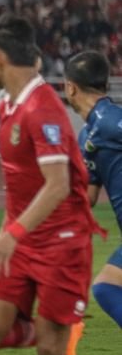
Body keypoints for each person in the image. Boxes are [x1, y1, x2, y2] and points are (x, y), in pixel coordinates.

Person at [0, 14, 99, 355]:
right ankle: (45, 332)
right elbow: (22, 184)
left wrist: (14, 232)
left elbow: (58, 184)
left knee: (51, 353)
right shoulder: (8, 103)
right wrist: (8, 231)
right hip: (22, 239)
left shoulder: (41, 108)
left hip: (63, 242)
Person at [65, 50, 122, 329]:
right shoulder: (88, 136)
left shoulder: (112, 119)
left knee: (107, 288)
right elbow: (85, 199)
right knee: (106, 287)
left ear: (70, 87)